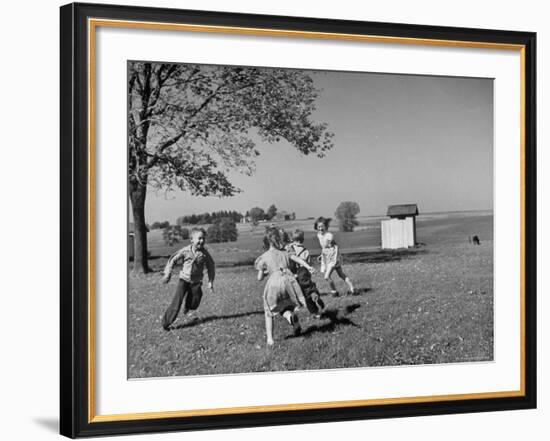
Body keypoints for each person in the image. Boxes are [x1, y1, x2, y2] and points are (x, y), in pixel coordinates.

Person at [255, 227, 316, 346]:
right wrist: (308, 267)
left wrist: (266, 271)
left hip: (274, 283)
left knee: (269, 310)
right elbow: (297, 259)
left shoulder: (264, 257)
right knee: (288, 303)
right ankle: (290, 317)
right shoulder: (286, 252)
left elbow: (259, 278)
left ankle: (270, 339)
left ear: (267, 241)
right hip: (289, 280)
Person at [161, 227, 215, 331]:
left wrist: (210, 281)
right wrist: (167, 273)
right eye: (199, 238)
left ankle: (188, 307)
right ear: (192, 240)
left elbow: (211, 267)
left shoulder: (205, 254)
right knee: (177, 301)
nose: (202, 241)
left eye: (203, 239)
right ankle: (166, 323)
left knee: (196, 299)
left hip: (196, 282)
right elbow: (172, 259)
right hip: (184, 280)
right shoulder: (185, 251)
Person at [286, 229, 325, 316]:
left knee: (304, 294)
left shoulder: (290, 248)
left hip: (295, 273)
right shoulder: (305, 251)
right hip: (304, 271)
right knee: (309, 287)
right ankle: (314, 294)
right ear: (302, 239)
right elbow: (308, 262)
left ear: (292, 239)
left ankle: (315, 312)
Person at [314, 216, 355, 296]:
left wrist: (335, 258)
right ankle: (353, 288)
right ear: (317, 227)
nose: (320, 228)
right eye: (319, 226)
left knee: (326, 276)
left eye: (322, 226)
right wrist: (322, 255)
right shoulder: (319, 235)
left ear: (326, 226)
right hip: (327, 257)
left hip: (333, 258)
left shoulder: (329, 235)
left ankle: (334, 291)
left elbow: (335, 246)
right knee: (341, 274)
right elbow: (324, 247)